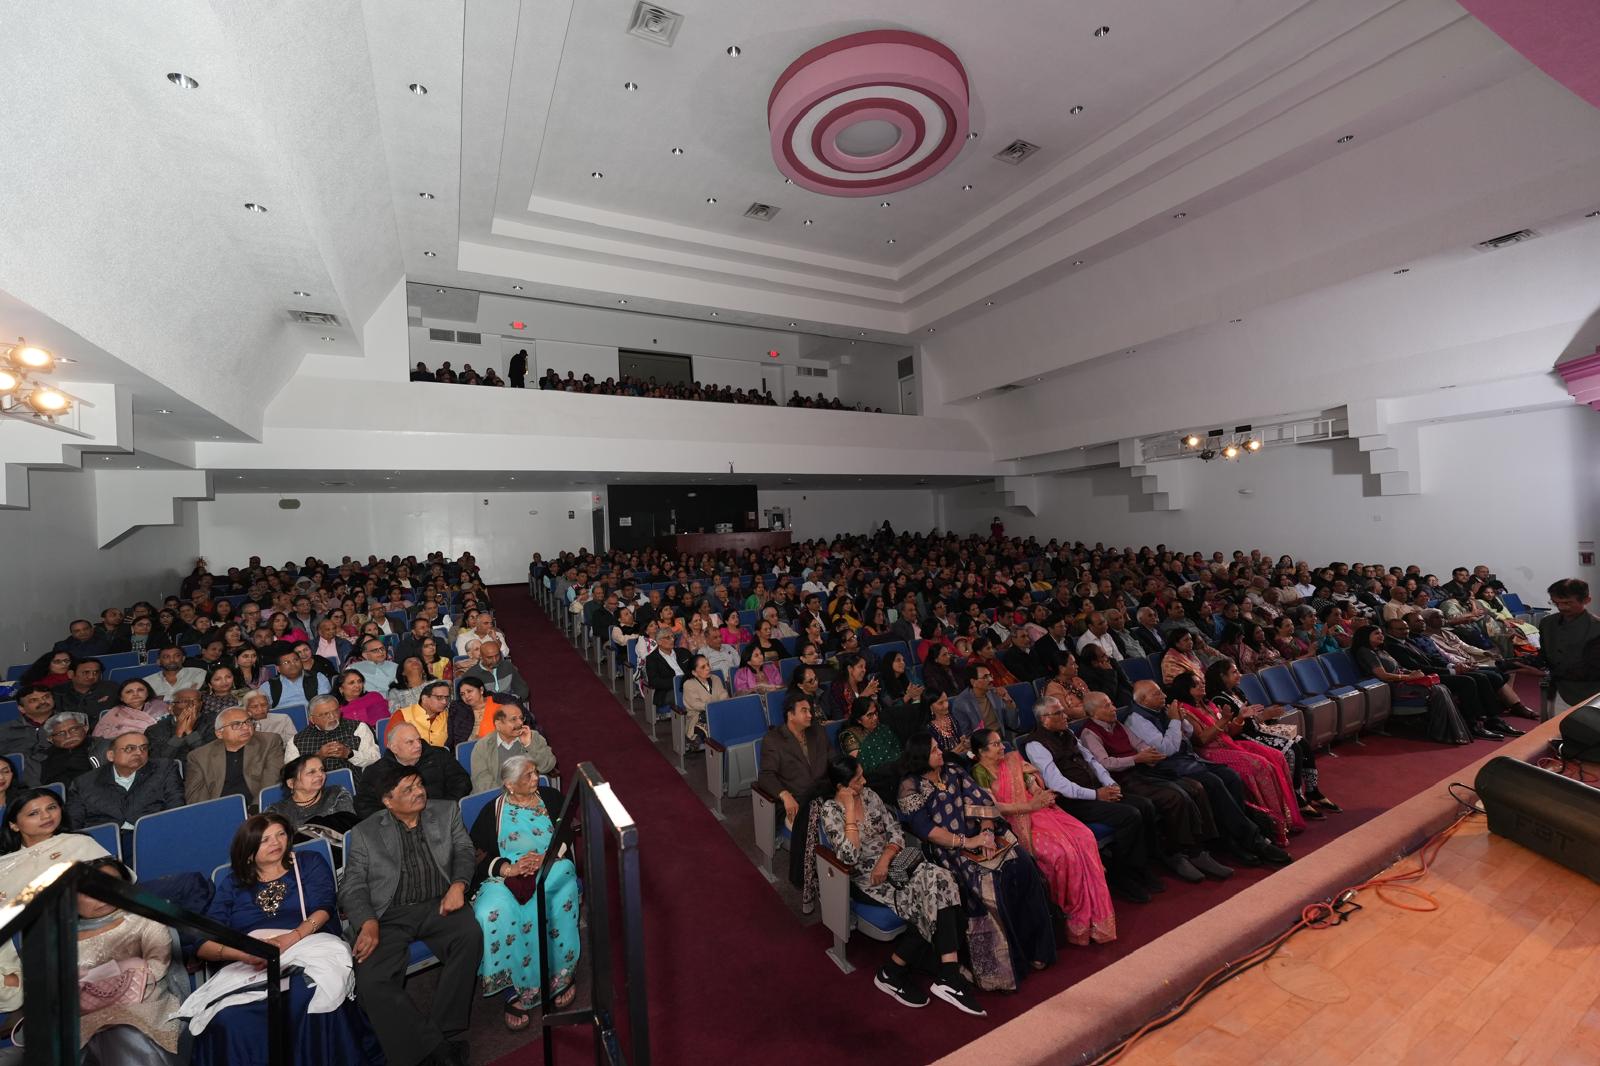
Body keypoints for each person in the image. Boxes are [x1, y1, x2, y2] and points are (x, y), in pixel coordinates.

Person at [183, 814, 378, 1064]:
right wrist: (246, 954)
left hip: (305, 944)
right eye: (265, 839)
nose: (275, 842)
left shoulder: (308, 862)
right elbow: (204, 942)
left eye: (280, 834)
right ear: (248, 851)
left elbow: (324, 906)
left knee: (307, 997)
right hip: (251, 959)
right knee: (227, 1019)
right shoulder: (234, 883)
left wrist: (291, 938)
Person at [340, 760, 483, 1066]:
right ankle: (436, 1048)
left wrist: (458, 885)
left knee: (469, 934)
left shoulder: (446, 812)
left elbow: (464, 850)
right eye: (408, 789)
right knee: (370, 979)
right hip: (388, 916)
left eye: (419, 784)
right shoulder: (365, 833)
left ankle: (442, 1030)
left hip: (438, 903)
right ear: (388, 801)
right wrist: (367, 922)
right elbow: (352, 886)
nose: (419, 792)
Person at [897, 732, 1055, 992]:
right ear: (920, 758)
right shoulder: (910, 787)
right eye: (934, 749)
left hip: (981, 836)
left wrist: (989, 832)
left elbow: (982, 803)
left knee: (1023, 865)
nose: (940, 752)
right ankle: (1001, 969)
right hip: (950, 850)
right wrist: (966, 842)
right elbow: (927, 831)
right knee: (990, 882)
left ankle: (1035, 948)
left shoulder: (953, 771)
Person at [817, 755, 975, 1013]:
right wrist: (848, 812)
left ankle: (942, 972)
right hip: (867, 880)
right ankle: (902, 973)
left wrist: (886, 858)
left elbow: (895, 831)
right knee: (930, 897)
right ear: (841, 787)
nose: (865, 781)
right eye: (858, 779)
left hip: (895, 865)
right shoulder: (830, 811)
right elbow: (849, 857)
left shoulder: (869, 796)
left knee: (944, 879)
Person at [969, 728, 1118, 946]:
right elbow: (994, 807)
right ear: (981, 752)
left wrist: (1038, 793)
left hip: (1042, 810)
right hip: (1017, 818)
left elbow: (1030, 780)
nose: (1003, 747)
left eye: (1001, 742)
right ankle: (1068, 911)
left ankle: (1095, 914)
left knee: (1085, 837)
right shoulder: (979, 772)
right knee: (1061, 853)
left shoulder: (1012, 760)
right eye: (995, 744)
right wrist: (1028, 805)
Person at [468, 755, 581, 1030]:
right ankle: (513, 988)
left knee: (549, 892)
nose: (535, 779)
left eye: (535, 773)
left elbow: (567, 832)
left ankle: (559, 976)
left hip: (550, 865)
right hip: (506, 875)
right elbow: (477, 856)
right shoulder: (491, 812)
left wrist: (546, 858)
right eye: (527, 776)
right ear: (509, 784)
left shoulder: (551, 798)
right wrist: (509, 869)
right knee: (491, 911)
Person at [1075, 693, 1234, 883]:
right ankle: (1177, 853)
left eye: (1112, 704)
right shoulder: (1089, 733)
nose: (1114, 708)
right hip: (1124, 779)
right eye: (1107, 706)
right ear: (1093, 712)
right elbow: (1104, 763)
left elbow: (1139, 743)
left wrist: (1147, 753)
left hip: (1144, 771)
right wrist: (1136, 759)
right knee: (1175, 797)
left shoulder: (1118, 725)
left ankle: (1201, 847)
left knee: (1195, 787)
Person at [1022, 697, 1162, 902]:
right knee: (1129, 815)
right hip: (1072, 802)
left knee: (1145, 805)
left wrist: (1109, 784)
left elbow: (1092, 760)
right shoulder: (1035, 745)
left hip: (1095, 790)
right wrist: (1096, 795)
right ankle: (1123, 875)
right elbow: (1057, 784)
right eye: (1059, 713)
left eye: (1063, 711)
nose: (1065, 715)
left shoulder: (1068, 733)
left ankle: (1145, 864)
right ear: (1045, 719)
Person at [0, 788, 111, 1013]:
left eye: (51, 807)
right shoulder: (3, 864)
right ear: (14, 824)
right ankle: (14, 985)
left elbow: (115, 884)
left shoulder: (78, 843)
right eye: (33, 813)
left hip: (63, 926)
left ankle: (21, 988)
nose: (46, 816)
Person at [70, 855, 186, 1064]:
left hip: (144, 1006)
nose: (103, 896)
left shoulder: (145, 920)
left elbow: (156, 968)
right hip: (82, 1018)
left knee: (121, 1032)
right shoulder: (59, 939)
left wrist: (91, 979)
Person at [1165, 671, 1303, 846]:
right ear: (1186, 689)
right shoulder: (1185, 710)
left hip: (1228, 743)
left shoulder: (1209, 705)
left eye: (1202, 682)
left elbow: (1230, 731)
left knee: (1274, 758)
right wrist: (1225, 721)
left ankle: (1284, 817)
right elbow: (1201, 739)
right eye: (1196, 684)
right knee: (1258, 766)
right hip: (1208, 752)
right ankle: (1269, 824)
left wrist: (1238, 718)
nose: (1202, 685)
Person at [1205, 659, 1339, 820]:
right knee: (1291, 749)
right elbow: (1233, 729)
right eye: (1233, 672)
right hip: (1244, 736)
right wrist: (1258, 717)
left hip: (1258, 729)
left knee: (1302, 743)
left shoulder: (1236, 691)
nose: (1239, 674)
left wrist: (1266, 714)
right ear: (1222, 677)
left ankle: (1312, 790)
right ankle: (1295, 797)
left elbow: (1254, 716)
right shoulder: (1218, 700)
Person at [756, 691, 831, 905]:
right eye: (804, 711)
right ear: (790, 715)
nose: (810, 715)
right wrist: (785, 795)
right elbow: (766, 775)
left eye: (810, 710)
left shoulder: (818, 732)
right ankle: (811, 880)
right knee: (819, 830)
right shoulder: (774, 739)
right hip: (796, 800)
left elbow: (834, 762)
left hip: (823, 793)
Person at [65, 733, 185, 855]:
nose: (139, 752)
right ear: (111, 755)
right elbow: (74, 825)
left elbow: (176, 807)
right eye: (130, 748)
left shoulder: (165, 768)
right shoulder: (84, 783)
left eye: (143, 748)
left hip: (153, 835)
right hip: (105, 844)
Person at [1351, 624, 1471, 744]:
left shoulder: (1381, 650)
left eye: (1381, 633)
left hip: (1401, 681)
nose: (1381, 635)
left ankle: (1447, 731)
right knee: (1437, 690)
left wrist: (1413, 672)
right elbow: (1383, 675)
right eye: (1376, 633)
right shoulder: (1365, 652)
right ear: (1365, 636)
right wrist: (1408, 677)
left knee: (1441, 687)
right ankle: (1442, 732)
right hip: (1390, 687)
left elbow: (1398, 668)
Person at [355, 722, 472, 819]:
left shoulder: (439, 755)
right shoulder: (376, 772)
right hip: (401, 829)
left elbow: (462, 782)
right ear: (394, 748)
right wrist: (397, 821)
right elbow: (364, 806)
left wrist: (444, 807)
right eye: (410, 742)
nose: (418, 746)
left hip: (443, 816)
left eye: (418, 740)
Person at [185, 707, 287, 808]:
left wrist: (256, 809)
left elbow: (271, 782)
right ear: (219, 733)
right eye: (236, 724)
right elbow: (196, 798)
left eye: (248, 722)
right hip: (219, 811)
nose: (246, 727)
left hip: (259, 808)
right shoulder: (199, 757)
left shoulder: (269, 742)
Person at [1538, 578, 1600, 713]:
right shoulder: (1547, 623)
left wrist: (1550, 672)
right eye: (1556, 603)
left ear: (1586, 600)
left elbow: (1594, 669)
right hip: (1556, 690)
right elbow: (1545, 655)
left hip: (1590, 693)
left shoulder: (1596, 628)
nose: (1561, 608)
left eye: (1567, 603)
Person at [469, 698, 555, 793]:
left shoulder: (533, 737)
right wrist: (511, 795)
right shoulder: (482, 746)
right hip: (497, 798)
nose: (520, 723)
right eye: (513, 719)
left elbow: (547, 766)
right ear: (498, 724)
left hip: (530, 793)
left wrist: (529, 745)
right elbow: (482, 782)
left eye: (521, 718)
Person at [838, 696, 904, 804]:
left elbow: (897, 751)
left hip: (895, 771)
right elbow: (860, 766)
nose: (875, 718)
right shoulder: (849, 736)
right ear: (858, 720)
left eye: (876, 713)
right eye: (869, 715)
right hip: (874, 780)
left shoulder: (883, 729)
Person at [295, 694, 380, 775]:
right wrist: (318, 757)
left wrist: (349, 754)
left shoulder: (358, 728)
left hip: (355, 783)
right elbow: (292, 774)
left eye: (335, 711)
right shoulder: (298, 740)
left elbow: (375, 758)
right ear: (312, 719)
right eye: (325, 714)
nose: (332, 717)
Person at [387, 680, 473, 750]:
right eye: (439, 697)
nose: (444, 702)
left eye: (447, 698)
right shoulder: (402, 715)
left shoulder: (449, 715)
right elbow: (391, 745)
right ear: (424, 699)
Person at [32, 710, 104, 786]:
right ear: (50, 739)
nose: (68, 736)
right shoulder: (42, 759)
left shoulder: (104, 746)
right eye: (60, 733)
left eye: (74, 729)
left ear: (85, 728)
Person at [679, 654, 729, 752]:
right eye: (703, 667)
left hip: (718, 712)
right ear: (694, 672)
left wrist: (715, 706)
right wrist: (715, 706)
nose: (708, 668)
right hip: (698, 717)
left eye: (708, 665)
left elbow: (723, 694)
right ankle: (698, 738)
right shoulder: (689, 684)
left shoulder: (715, 678)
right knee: (713, 721)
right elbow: (696, 704)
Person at [92, 678, 169, 740]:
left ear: (148, 693)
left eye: (140, 690)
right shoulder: (115, 714)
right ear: (121, 698)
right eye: (129, 692)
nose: (135, 694)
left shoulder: (161, 707)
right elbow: (99, 737)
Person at [457, 640, 529, 703]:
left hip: (510, 704)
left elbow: (522, 689)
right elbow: (466, 700)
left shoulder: (508, 666)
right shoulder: (471, 675)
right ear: (481, 656)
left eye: (497, 656)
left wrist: (514, 699)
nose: (495, 660)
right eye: (489, 657)